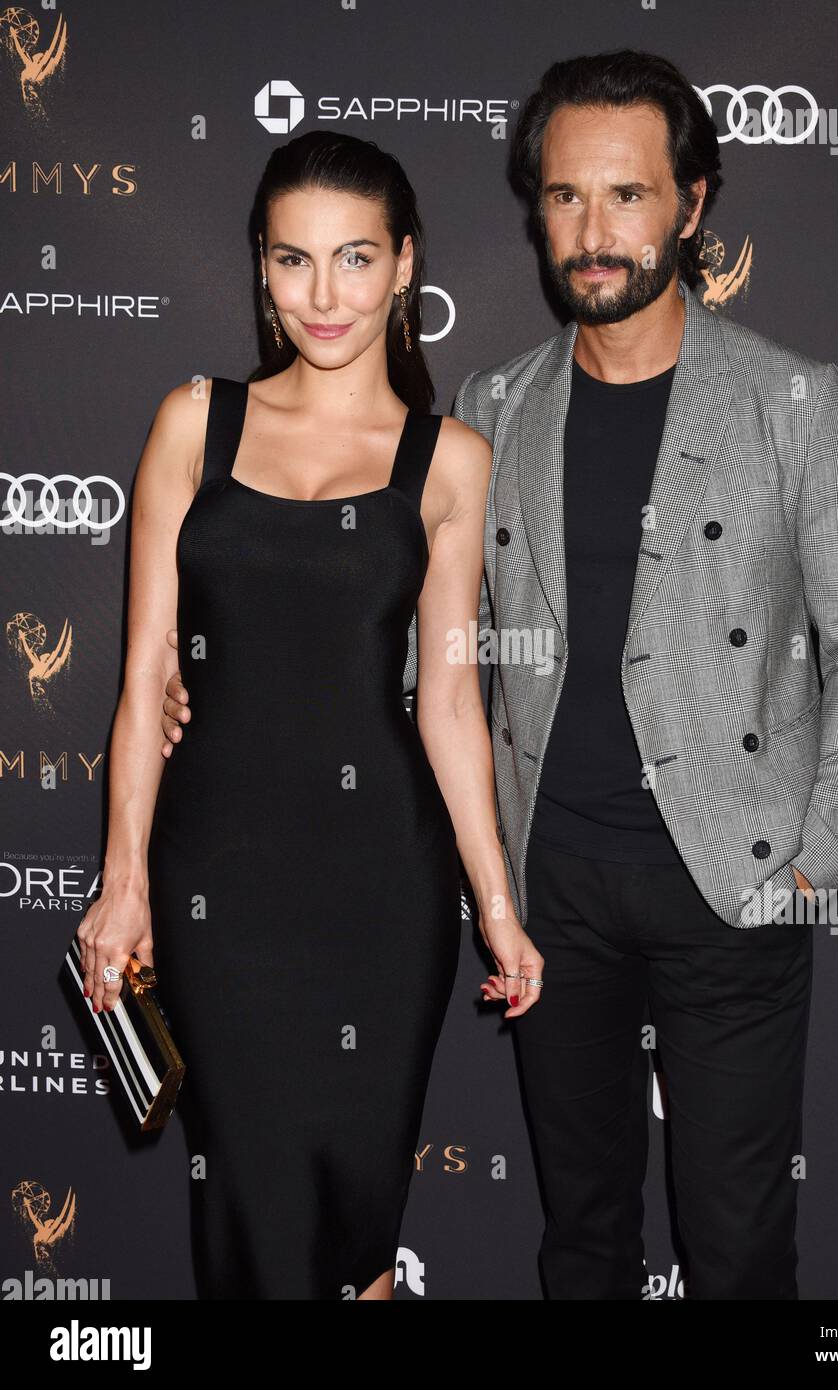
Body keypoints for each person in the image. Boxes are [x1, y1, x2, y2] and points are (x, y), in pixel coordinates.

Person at [163, 50, 838, 1300]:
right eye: (565, 197)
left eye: (627, 195)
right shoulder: (494, 407)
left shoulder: (793, 401)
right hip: (550, 890)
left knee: (733, 1250)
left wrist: (811, 861)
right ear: (535, 211)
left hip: (732, 882)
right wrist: (225, 686)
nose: (594, 229)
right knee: (580, 1237)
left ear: (692, 203)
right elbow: (418, 655)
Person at [77, 129, 542, 1302]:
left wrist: (497, 905)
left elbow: (447, 698)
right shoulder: (196, 421)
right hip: (215, 882)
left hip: (379, 889)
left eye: (352, 259)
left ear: (403, 267)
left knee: (356, 1236)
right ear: (261, 269)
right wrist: (123, 876)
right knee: (251, 1214)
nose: (322, 296)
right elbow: (142, 674)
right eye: (292, 261)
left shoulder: (450, 459)